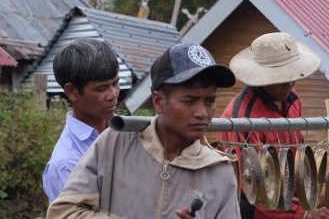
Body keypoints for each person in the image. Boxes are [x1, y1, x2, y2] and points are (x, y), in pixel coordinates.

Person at [47, 43, 242, 218]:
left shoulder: (219, 172)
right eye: (190, 101)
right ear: (159, 102)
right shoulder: (114, 144)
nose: (202, 113)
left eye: (210, 101)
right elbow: (63, 212)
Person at [219, 32, 329, 219]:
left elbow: (295, 155)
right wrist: (305, 213)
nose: (290, 83)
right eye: (282, 78)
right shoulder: (242, 119)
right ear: (263, 76)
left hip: (289, 204)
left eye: (292, 76)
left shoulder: (292, 99)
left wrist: (310, 199)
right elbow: (257, 190)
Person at [43, 38, 121, 203]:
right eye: (101, 88)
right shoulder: (67, 162)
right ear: (72, 91)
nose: (113, 94)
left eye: (115, 83)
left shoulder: (128, 130)